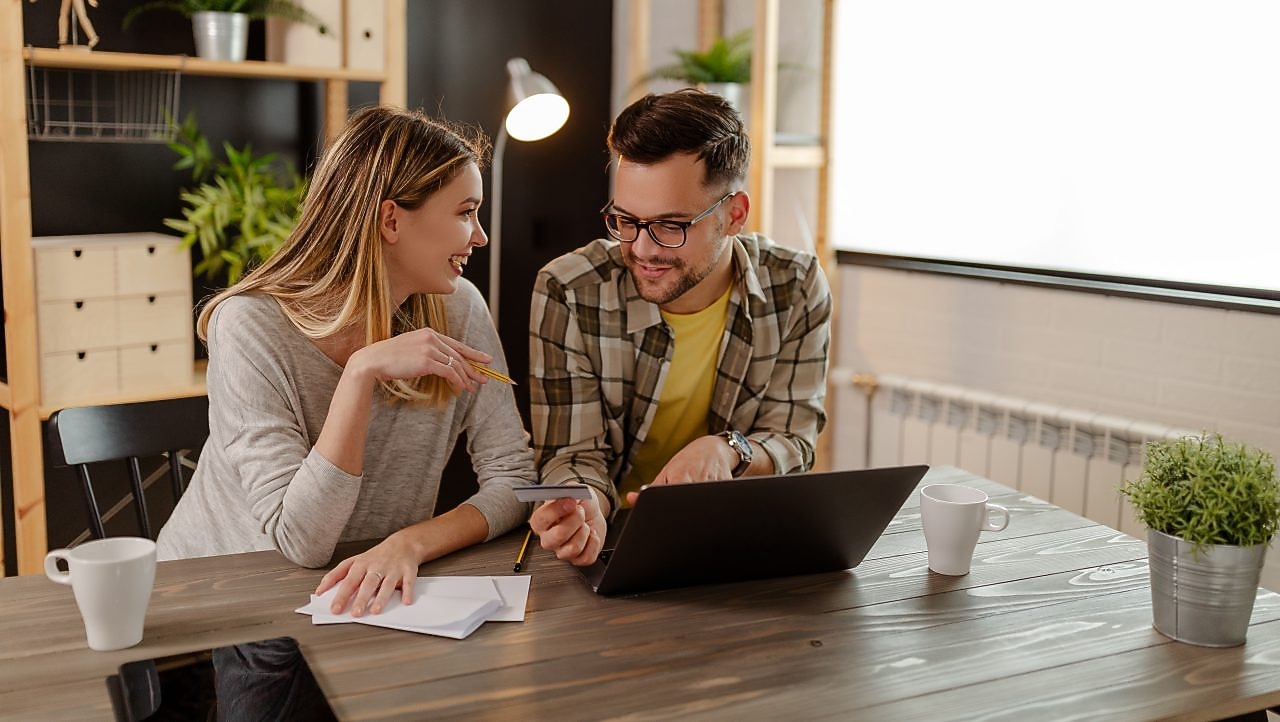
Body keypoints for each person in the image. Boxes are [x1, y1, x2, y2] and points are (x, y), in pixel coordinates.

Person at [156, 106, 535, 619]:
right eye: (465, 213)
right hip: (222, 599)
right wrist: (360, 373)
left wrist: (411, 543)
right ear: (391, 219)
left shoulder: (458, 307)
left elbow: (514, 477)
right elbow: (302, 541)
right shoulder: (248, 326)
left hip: (366, 594)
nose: (480, 236)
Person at [527, 89, 832, 566]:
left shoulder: (794, 285)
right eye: (626, 221)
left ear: (734, 215)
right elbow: (572, 452)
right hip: (610, 547)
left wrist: (728, 450)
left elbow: (794, 438)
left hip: (734, 544)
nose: (643, 249)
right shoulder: (570, 290)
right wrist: (582, 505)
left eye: (671, 226)